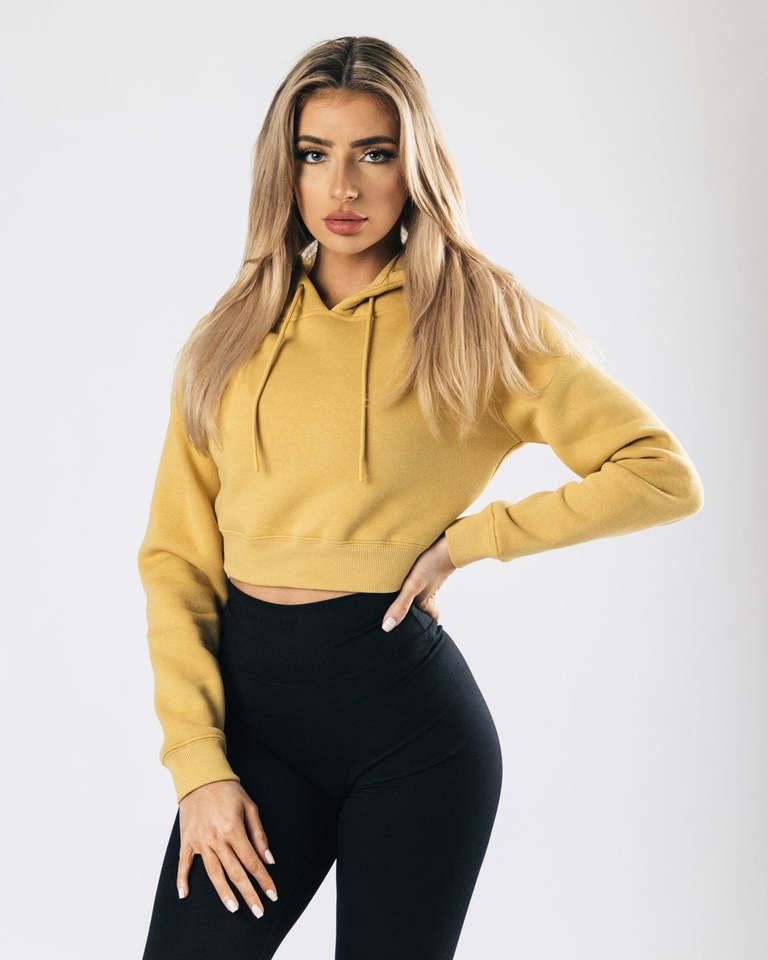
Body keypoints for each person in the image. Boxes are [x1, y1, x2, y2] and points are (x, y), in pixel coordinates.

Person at [136, 35, 704, 960]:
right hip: (253, 734)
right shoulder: (231, 335)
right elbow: (174, 564)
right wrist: (197, 767)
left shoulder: (477, 319)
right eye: (314, 154)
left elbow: (660, 474)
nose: (343, 187)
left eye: (375, 153)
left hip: (413, 739)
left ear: (415, 166)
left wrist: (471, 541)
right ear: (285, 169)